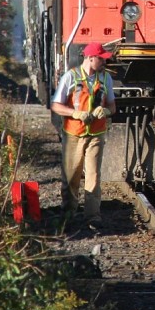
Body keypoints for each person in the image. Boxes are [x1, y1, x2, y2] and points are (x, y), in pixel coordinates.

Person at [49, 42, 117, 226]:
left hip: (96, 133)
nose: (104, 62)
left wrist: (107, 111)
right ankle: (69, 212)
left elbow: (112, 105)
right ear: (90, 58)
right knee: (71, 175)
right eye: (101, 59)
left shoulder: (106, 79)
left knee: (93, 175)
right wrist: (75, 113)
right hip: (73, 134)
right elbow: (55, 105)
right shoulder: (70, 77)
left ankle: (92, 216)